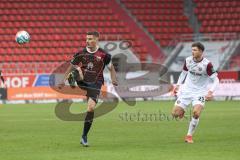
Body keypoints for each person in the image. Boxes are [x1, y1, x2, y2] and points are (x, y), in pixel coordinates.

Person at [58, 31, 118, 147]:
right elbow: (70, 66)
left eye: (90, 39)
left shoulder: (104, 55)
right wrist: (62, 80)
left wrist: (114, 79)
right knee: (77, 69)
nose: (87, 41)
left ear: (96, 39)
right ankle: (73, 79)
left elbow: (111, 68)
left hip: (96, 84)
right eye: (86, 39)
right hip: (83, 80)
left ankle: (84, 136)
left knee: (90, 108)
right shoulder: (81, 53)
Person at [171, 42, 219, 143]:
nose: (193, 52)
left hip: (199, 93)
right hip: (186, 91)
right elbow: (183, 73)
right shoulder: (188, 60)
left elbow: (216, 80)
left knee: (196, 113)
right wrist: (178, 85)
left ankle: (189, 136)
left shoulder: (207, 64)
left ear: (201, 51)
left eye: (195, 50)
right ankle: (181, 111)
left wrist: (210, 92)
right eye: (192, 50)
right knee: (174, 114)